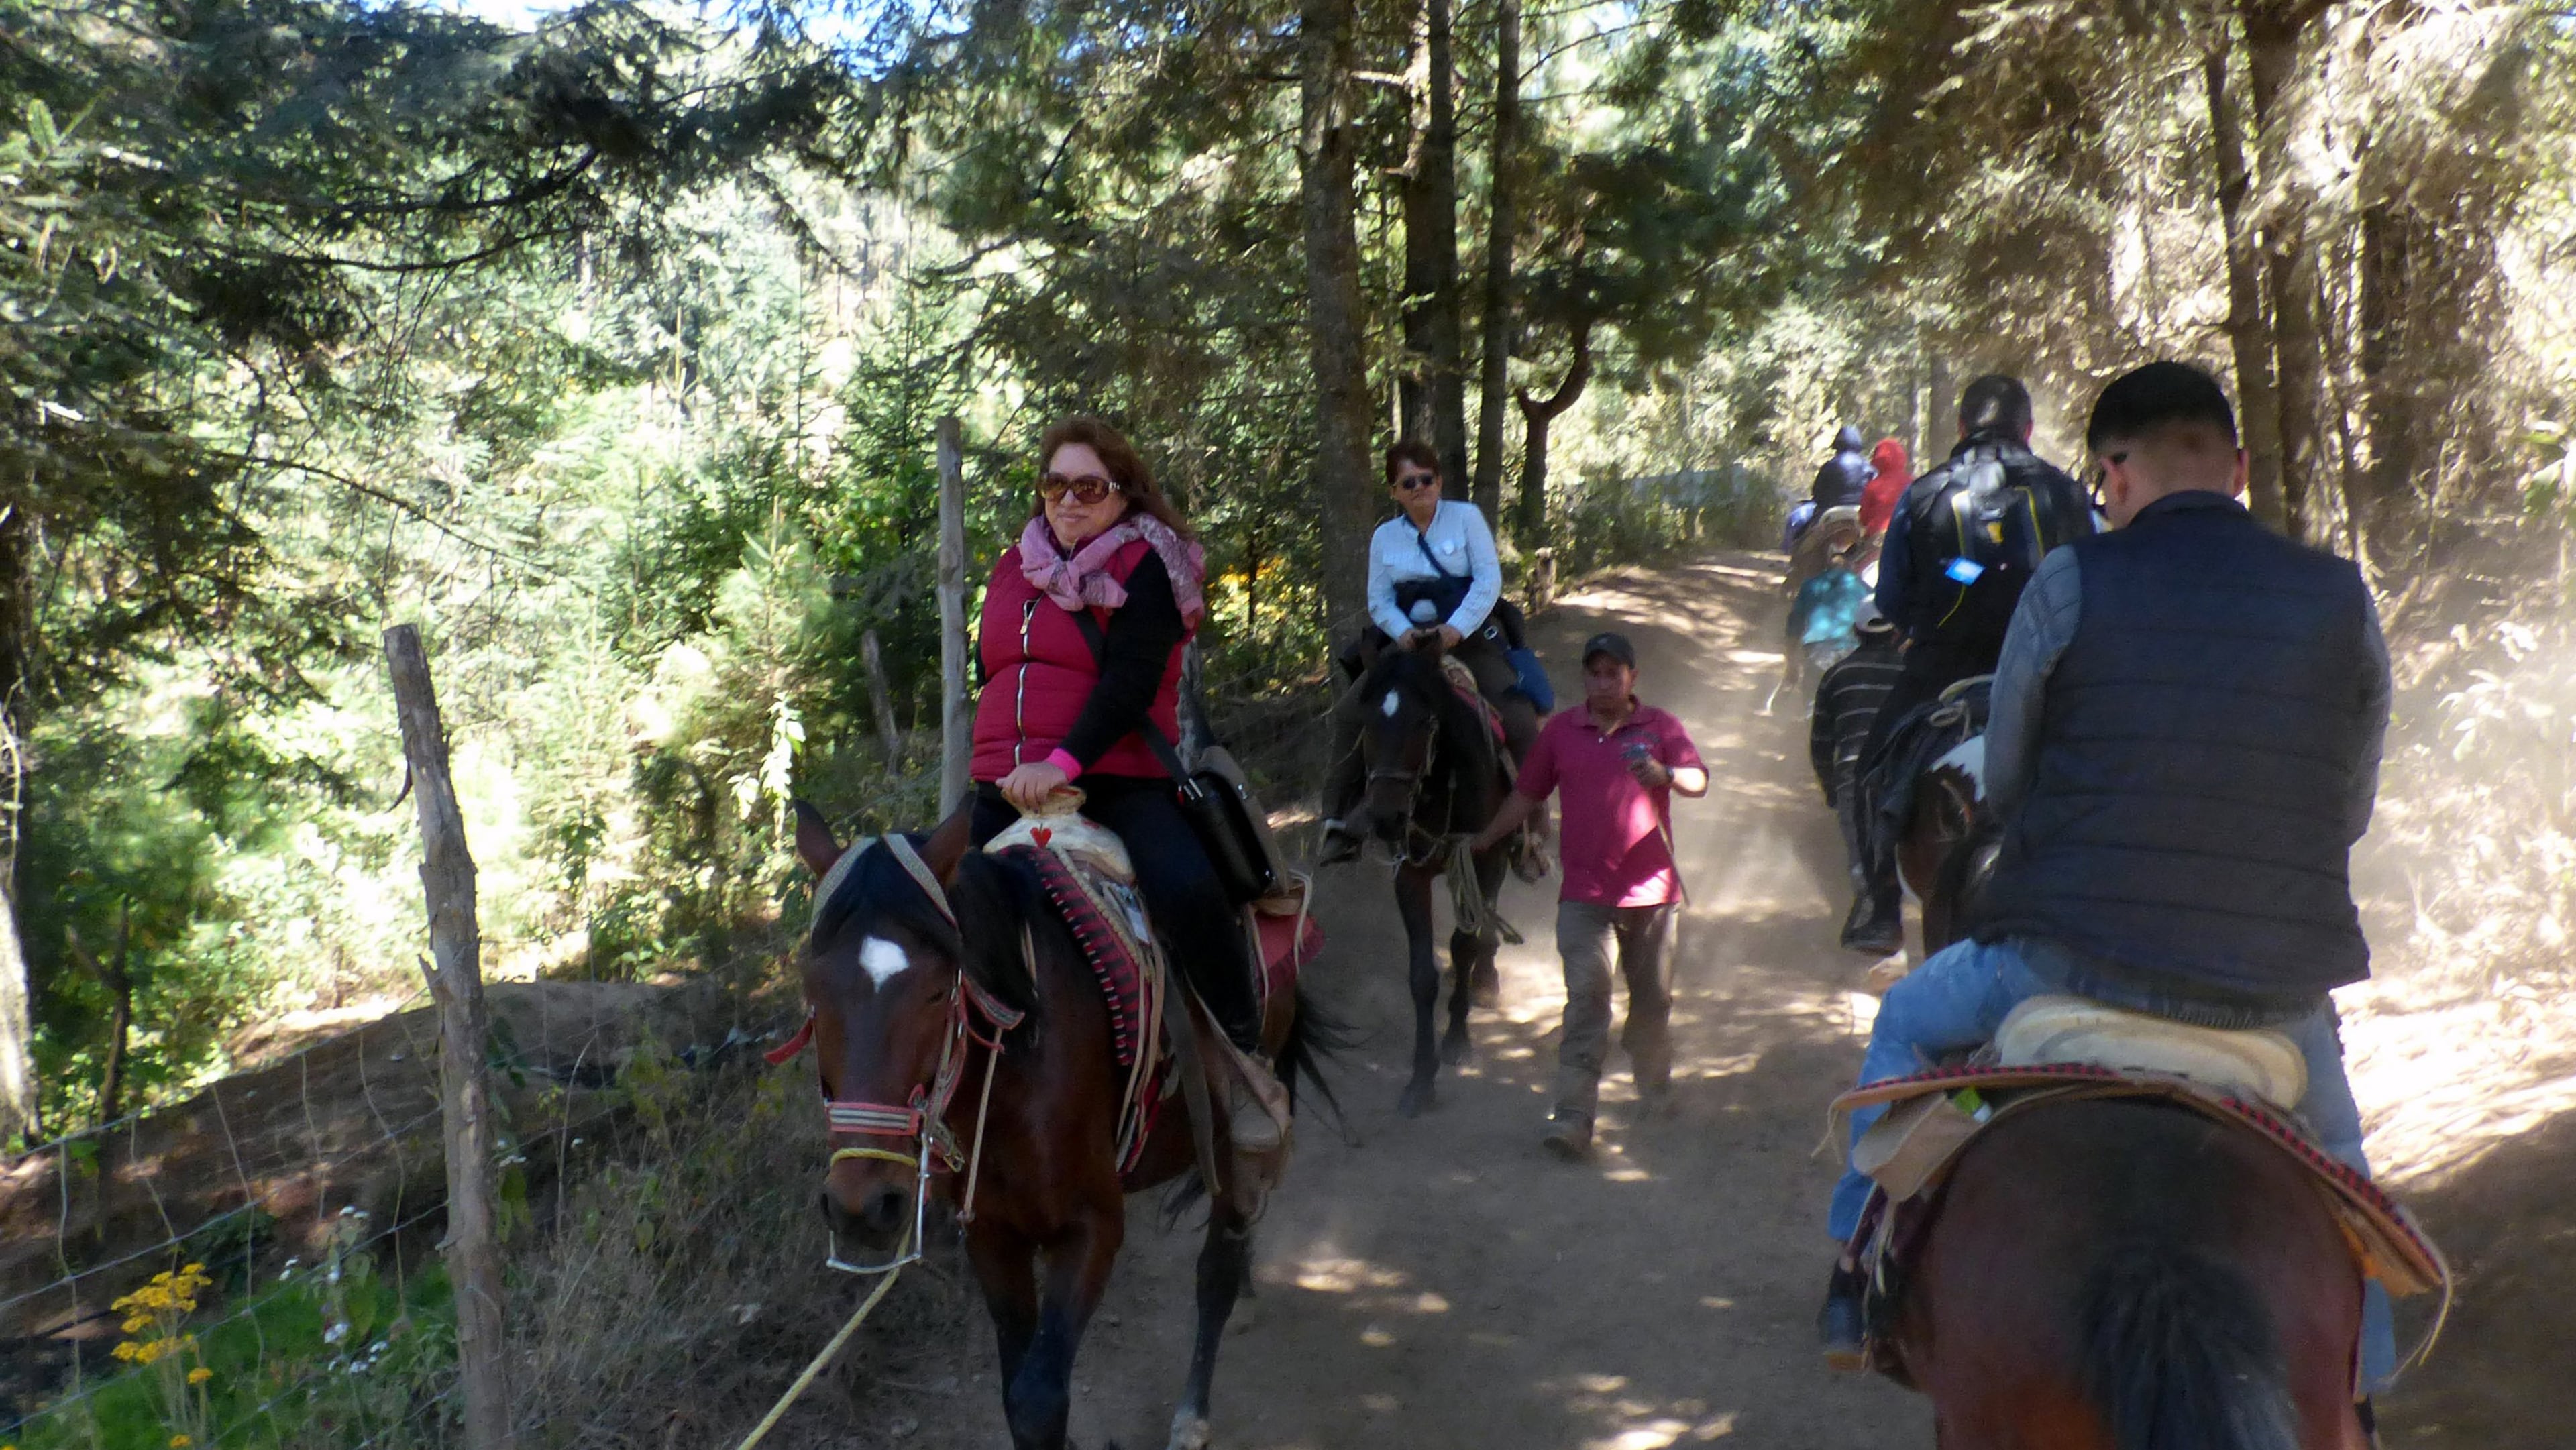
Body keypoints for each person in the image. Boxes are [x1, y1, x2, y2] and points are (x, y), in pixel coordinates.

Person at [1817, 362, 2398, 1402]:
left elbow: (2007, 775)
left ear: (2115, 474)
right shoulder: (2343, 598)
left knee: (1905, 1015)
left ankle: (1854, 1270)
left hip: (2072, 959)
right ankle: (2365, 1387)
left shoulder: (2076, 580)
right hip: (2276, 997)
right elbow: (2347, 811)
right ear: (2242, 469)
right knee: (2348, 1172)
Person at [967, 414, 1279, 1150]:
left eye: (1089, 486)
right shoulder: (1013, 566)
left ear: (1123, 492)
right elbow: (992, 670)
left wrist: (1062, 762)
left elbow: (1133, 682)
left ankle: (1245, 1061)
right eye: (1054, 484)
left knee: (1187, 889)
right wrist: (1011, 762)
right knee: (934, 906)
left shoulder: (1149, 565)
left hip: (1116, 778)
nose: (1069, 500)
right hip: (1004, 785)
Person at [1841, 375, 2095, 955]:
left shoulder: (1924, 492)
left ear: (1961, 428)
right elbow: (2094, 580)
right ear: (2028, 431)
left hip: (1941, 673)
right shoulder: (2066, 493)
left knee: (1870, 769)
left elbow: (1893, 602)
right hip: (2051, 675)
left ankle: (1878, 905)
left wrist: (1949, 597)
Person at [1468, 632, 1707, 1160]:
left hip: (1652, 895)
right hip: (1584, 897)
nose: (1602, 684)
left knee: (1651, 1003)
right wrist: (1487, 837)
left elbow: (1697, 781)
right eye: (1593, 674)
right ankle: (1574, 1117)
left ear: (1633, 679)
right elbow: (1527, 793)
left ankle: (1654, 1088)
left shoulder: (1660, 727)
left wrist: (1666, 773)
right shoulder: (1560, 733)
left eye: (1613, 674)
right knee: (1586, 1004)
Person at [1321, 439, 1537, 859]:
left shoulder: (1467, 518)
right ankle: (1340, 819)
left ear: (1439, 481)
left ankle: (1529, 829)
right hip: (1408, 644)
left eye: (1426, 478)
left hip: (1467, 637)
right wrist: (1403, 634)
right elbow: (1380, 599)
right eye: (1408, 482)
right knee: (1351, 712)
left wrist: (1453, 631)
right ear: (1394, 492)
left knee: (1518, 716)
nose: (1419, 487)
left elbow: (1488, 582)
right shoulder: (1384, 538)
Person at [1809, 612, 1904, 913]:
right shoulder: (1911, 672)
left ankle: (1874, 922)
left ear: (1856, 632)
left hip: (1853, 772)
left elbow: (1821, 744)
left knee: (1861, 853)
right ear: (1895, 633)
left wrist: (1830, 787)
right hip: (1902, 772)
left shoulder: (1836, 674)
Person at [1856, 437, 1911, 539]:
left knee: (1855, 554)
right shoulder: (1913, 483)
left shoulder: (1872, 486)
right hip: (1906, 536)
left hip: (1876, 537)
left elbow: (1863, 519)